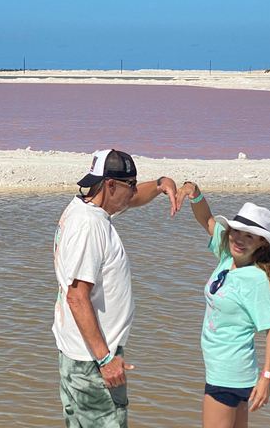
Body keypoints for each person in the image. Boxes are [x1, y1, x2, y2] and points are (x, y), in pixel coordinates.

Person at [52, 149, 178, 427]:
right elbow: (76, 297)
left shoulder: (86, 207)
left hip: (79, 355)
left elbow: (131, 201)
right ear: (110, 185)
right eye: (130, 184)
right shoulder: (89, 226)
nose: (133, 191)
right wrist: (106, 358)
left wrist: (159, 186)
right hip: (93, 363)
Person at [176, 182, 270, 428]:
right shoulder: (228, 256)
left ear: (261, 244)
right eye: (236, 231)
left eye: (249, 236)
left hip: (227, 375)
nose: (239, 239)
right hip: (232, 372)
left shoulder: (256, 280)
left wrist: (266, 379)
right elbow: (207, 220)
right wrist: (195, 192)